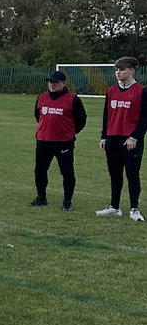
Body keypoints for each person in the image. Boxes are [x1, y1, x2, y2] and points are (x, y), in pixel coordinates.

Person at [96, 56, 147, 221]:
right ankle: (114, 207)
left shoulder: (141, 91)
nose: (118, 72)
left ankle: (134, 209)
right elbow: (107, 115)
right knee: (115, 174)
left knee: (132, 175)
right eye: (116, 69)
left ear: (131, 71)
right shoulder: (111, 90)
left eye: (122, 69)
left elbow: (145, 118)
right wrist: (104, 136)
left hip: (130, 140)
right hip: (112, 139)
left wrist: (135, 136)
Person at [30, 70, 87, 211]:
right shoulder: (41, 97)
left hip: (63, 142)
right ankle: (41, 198)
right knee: (40, 171)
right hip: (43, 141)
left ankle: (67, 201)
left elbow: (81, 120)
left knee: (67, 172)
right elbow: (38, 116)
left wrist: (69, 133)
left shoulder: (73, 99)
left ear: (63, 83)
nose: (52, 85)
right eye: (50, 82)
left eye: (55, 82)